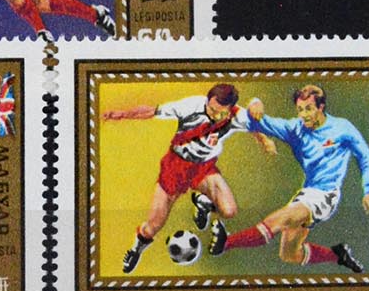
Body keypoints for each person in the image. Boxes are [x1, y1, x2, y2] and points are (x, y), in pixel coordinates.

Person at [102, 82, 271, 274]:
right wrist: (121, 114)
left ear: (229, 109)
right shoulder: (191, 106)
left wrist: (263, 138)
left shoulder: (235, 115)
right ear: (208, 101)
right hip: (176, 168)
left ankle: (203, 203)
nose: (214, 116)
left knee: (229, 210)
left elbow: (253, 122)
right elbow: (151, 111)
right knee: (152, 226)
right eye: (212, 109)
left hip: (203, 168)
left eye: (221, 113)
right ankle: (135, 250)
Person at [210, 85, 369, 271]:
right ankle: (338, 255)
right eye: (300, 109)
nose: (304, 115)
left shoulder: (342, 128)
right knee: (289, 254)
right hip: (306, 193)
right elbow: (258, 122)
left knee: (282, 218)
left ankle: (227, 242)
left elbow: (365, 157)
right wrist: (255, 103)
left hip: (326, 195)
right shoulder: (295, 129)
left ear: (321, 107)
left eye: (308, 109)